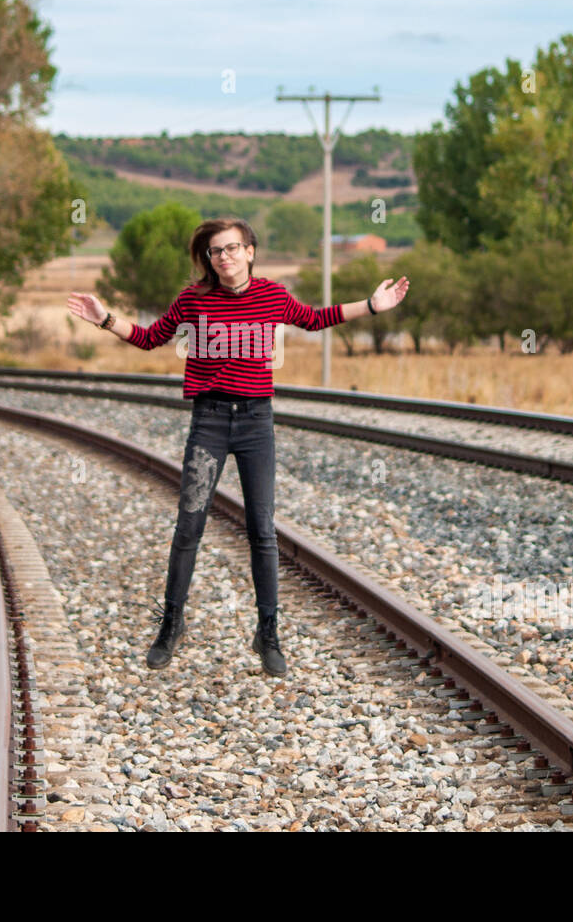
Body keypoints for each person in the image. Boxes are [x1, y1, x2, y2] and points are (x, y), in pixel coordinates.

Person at [66, 218, 409, 677]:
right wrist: (104, 318)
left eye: (231, 248)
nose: (223, 257)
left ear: (250, 251)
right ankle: (171, 624)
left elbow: (315, 318)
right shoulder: (193, 299)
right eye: (214, 251)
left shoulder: (273, 295)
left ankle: (267, 631)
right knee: (189, 525)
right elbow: (151, 339)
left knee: (262, 531)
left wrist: (372, 304)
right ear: (207, 259)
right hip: (208, 422)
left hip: (254, 423)